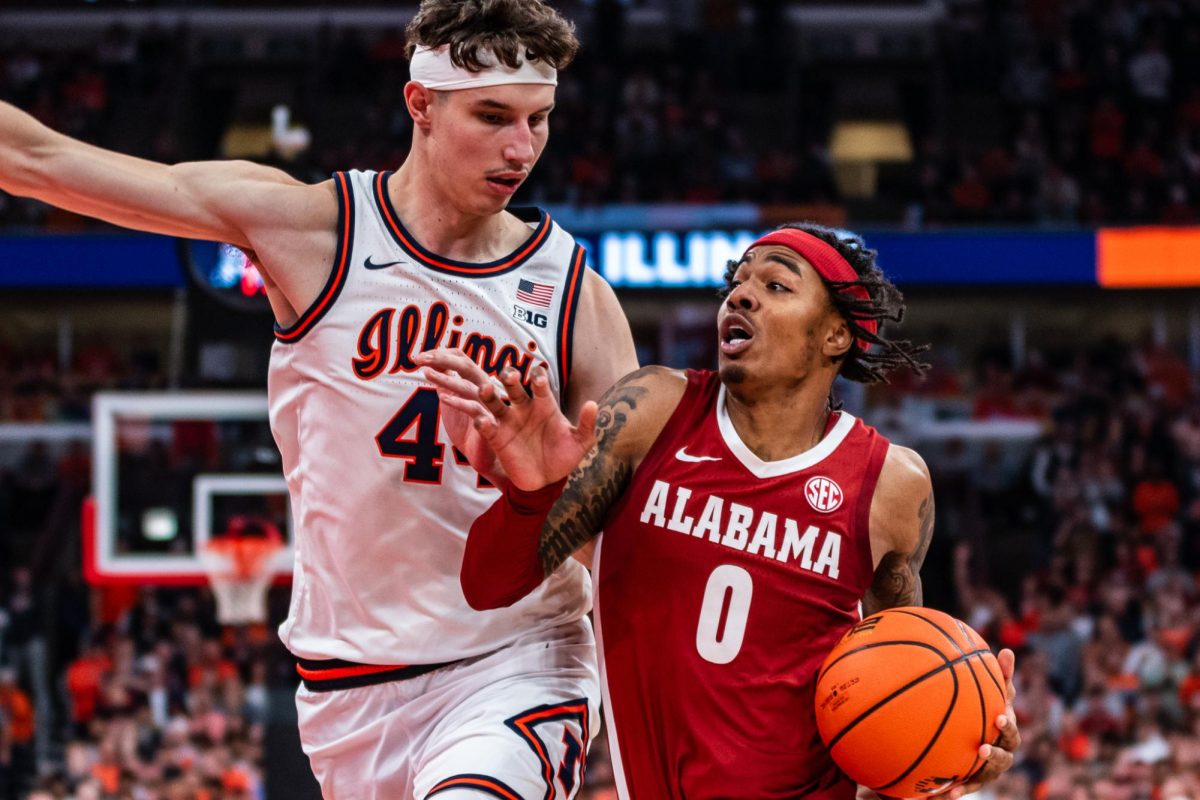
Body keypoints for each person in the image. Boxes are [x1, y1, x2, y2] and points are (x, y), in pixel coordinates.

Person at [0, 0, 639, 796]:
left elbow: (632, 548)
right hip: (350, 681)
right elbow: (40, 158)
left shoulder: (575, 295)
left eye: (540, 119)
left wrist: (546, 489)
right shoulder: (316, 233)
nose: (523, 148)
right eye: (493, 116)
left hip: (518, 661)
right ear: (421, 106)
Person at [421, 223, 1023, 798]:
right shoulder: (654, 412)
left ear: (835, 336)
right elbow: (487, 584)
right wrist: (533, 492)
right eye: (738, 281)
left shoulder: (891, 483)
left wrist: (959, 750)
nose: (743, 294)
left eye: (776, 285)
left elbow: (903, 687)